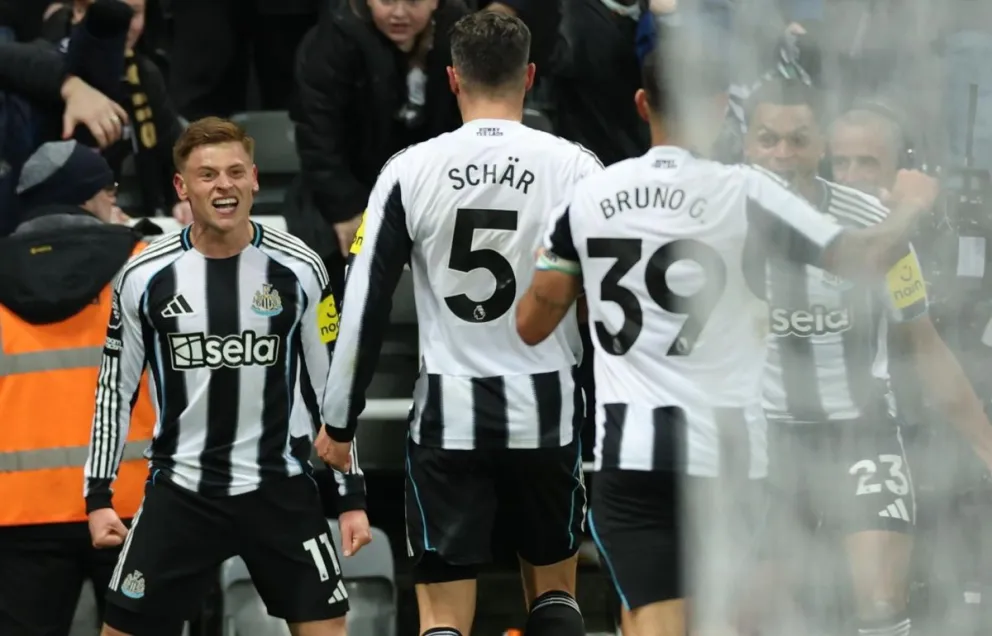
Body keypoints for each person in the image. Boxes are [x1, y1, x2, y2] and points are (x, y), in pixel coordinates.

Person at [513, 34, 940, 636]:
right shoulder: (742, 190)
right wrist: (913, 206)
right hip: (728, 452)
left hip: (629, 454)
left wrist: (584, 289)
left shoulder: (589, 196)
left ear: (641, 103)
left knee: (658, 623)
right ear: (718, 109)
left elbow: (531, 327)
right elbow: (859, 257)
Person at [316, 12, 599, 636]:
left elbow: (361, 302)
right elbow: (603, 305)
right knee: (555, 596)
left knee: (442, 616)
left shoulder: (408, 169)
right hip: (546, 406)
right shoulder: (577, 168)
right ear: (529, 75)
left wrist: (339, 421)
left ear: (451, 78)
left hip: (449, 411)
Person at [83, 117, 371, 636]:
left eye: (236, 172)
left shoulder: (302, 266)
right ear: (182, 187)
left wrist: (351, 498)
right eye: (208, 174)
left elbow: (335, 390)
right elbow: (114, 389)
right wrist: (98, 496)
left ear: (256, 178)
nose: (224, 186)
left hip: (279, 488)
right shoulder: (143, 274)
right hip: (182, 489)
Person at [743, 80, 992, 636]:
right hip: (768, 440)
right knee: (755, 614)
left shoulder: (876, 231)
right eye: (769, 140)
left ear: (816, 146)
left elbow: (922, 341)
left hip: (862, 432)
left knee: (880, 605)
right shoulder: (722, 214)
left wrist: (985, 444)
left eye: (798, 140)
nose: (784, 154)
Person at [0, 141, 156, 636]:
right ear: (88, 196)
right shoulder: (145, 265)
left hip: (17, 508)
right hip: (132, 501)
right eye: (109, 189)